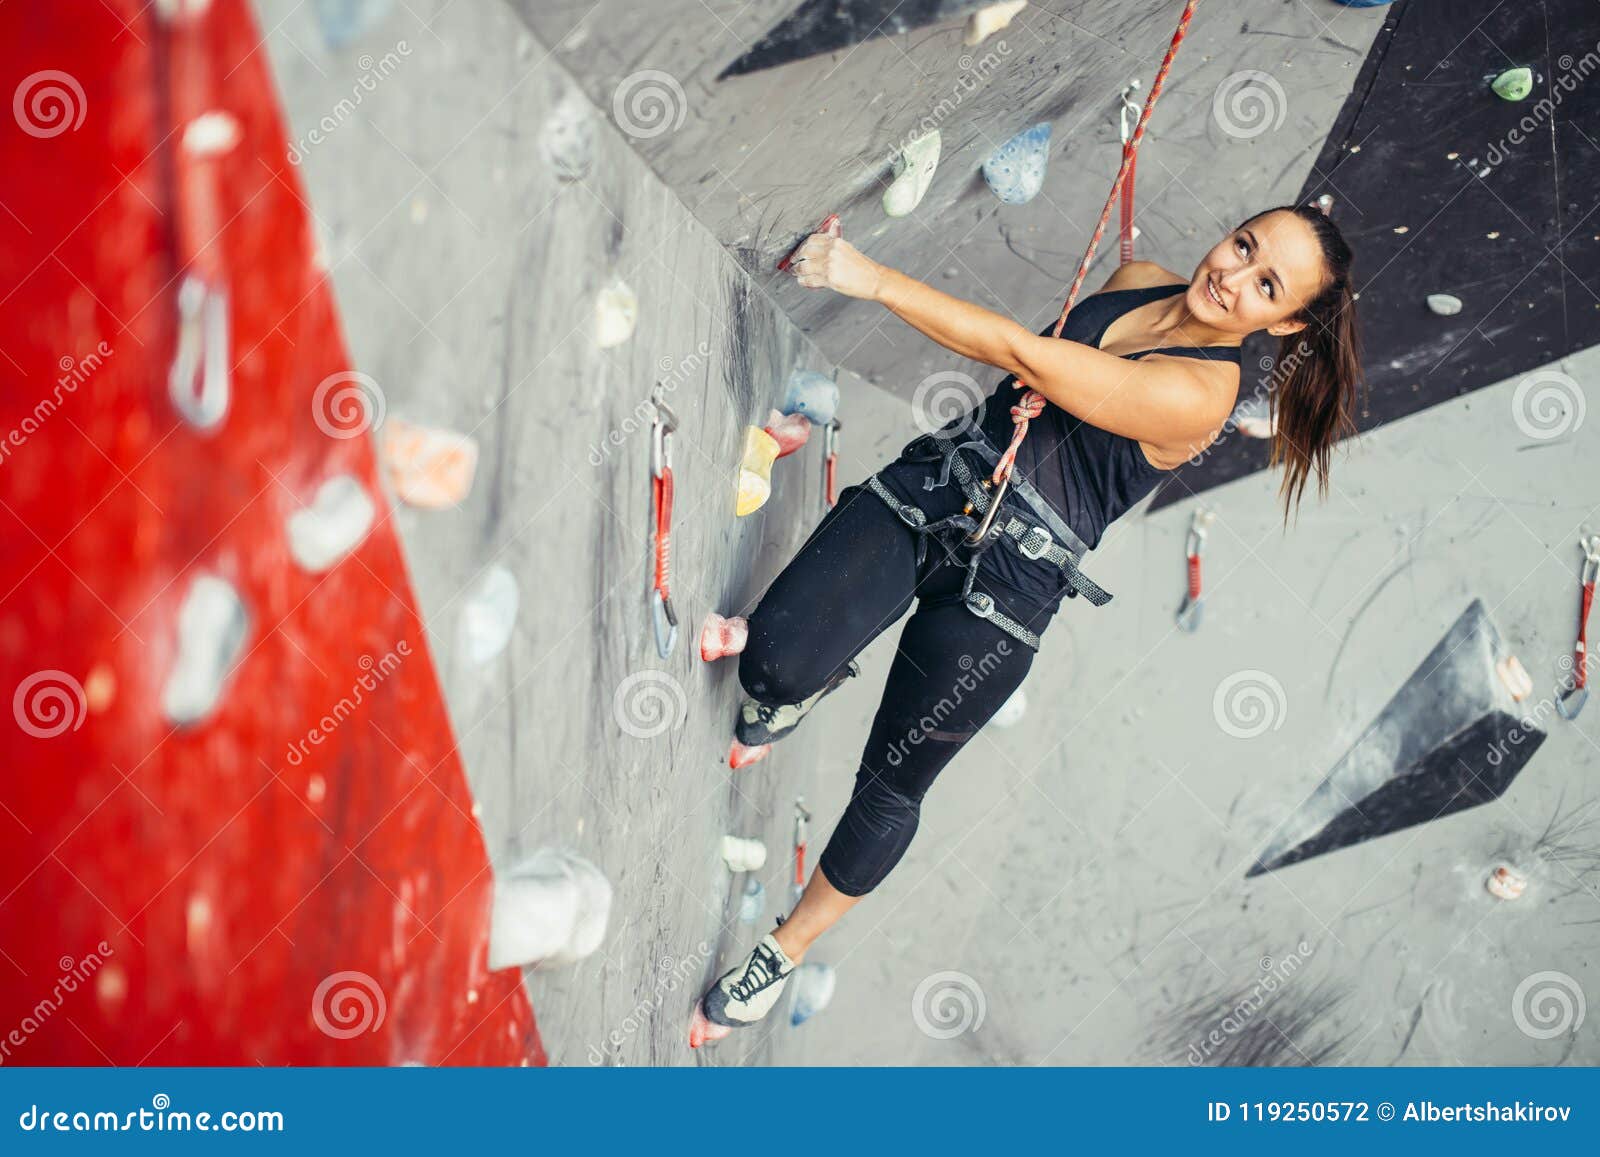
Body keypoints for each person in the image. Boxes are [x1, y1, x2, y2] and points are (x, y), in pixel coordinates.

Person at [690, 203, 1363, 1046]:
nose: (1231, 275)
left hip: (1008, 592)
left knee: (892, 784)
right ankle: (806, 679)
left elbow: (1020, 353)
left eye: (1265, 284)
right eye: (1243, 244)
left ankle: (783, 949)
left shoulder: (1202, 393)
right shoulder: (1139, 282)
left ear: (1286, 321)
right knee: (770, 670)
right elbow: (1030, 378)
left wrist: (870, 278)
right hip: (940, 486)